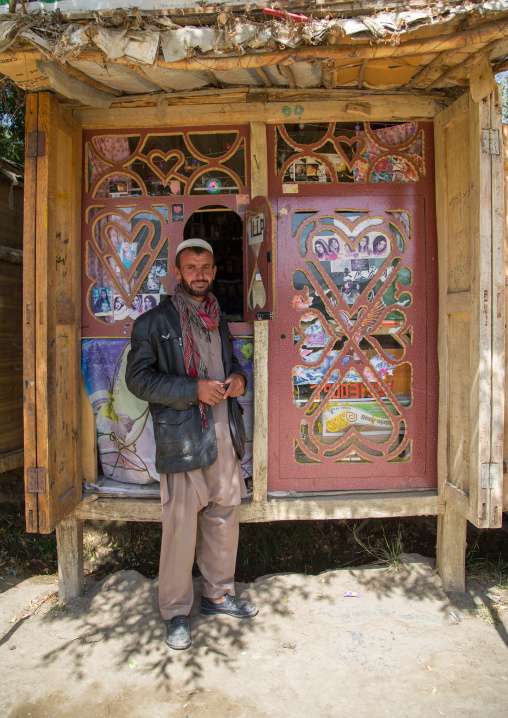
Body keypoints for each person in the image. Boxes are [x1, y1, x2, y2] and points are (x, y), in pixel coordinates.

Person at [126, 238, 257, 651]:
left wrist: (238, 380)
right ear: (177, 274)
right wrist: (192, 389)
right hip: (182, 435)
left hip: (222, 431)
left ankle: (217, 596)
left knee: (223, 515)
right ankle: (176, 611)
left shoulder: (218, 318)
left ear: (214, 272)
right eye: (191, 267)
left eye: (206, 267)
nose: (199, 274)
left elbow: (230, 364)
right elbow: (139, 380)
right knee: (181, 526)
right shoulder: (154, 323)